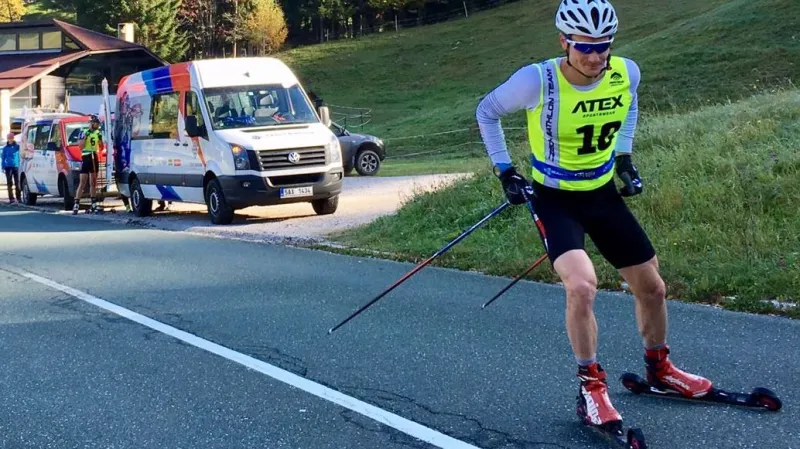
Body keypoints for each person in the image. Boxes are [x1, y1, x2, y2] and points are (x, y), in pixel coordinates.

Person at [475, 0, 713, 433]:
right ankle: (590, 387)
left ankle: (659, 370)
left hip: (602, 194)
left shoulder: (625, 71)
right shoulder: (537, 80)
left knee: (653, 287)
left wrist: (624, 157)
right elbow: (486, 111)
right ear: (564, 41)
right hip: (555, 198)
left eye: (603, 46)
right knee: (583, 285)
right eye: (585, 46)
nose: (595, 57)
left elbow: (630, 103)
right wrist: (506, 170)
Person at [74, 115, 103, 214]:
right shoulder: (83, 132)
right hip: (86, 156)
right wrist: (86, 136)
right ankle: (76, 203)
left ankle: (93, 203)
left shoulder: (98, 132)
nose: (97, 125)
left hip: (94, 156)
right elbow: (81, 147)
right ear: (91, 123)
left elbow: (101, 147)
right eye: (96, 123)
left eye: (98, 124)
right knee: (82, 182)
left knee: (93, 182)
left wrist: (100, 140)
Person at [2, 133, 21, 203]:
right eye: (9, 138)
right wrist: (3, 166)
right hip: (8, 167)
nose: (10, 139)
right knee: (9, 183)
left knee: (17, 183)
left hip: (15, 166)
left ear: (13, 139)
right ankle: (11, 198)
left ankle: (18, 198)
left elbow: (22, 151)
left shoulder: (17, 147)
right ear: (7, 139)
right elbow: (3, 157)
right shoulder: (5, 148)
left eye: (11, 138)